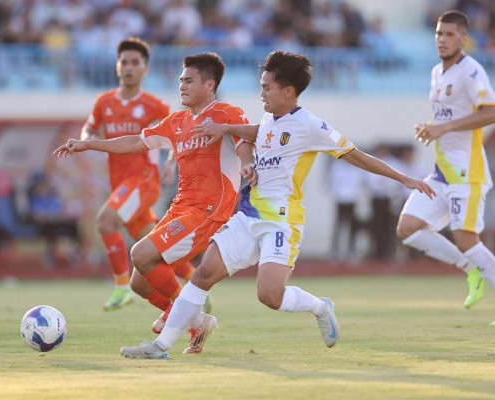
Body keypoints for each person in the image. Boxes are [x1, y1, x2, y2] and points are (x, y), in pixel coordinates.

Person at [119, 50, 435, 359]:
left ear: (288, 91)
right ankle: (160, 346)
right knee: (203, 275)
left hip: (281, 220)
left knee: (269, 296)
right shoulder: (269, 117)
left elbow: (355, 155)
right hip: (247, 215)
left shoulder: (311, 125)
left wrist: (402, 178)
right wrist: (226, 129)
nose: (261, 93)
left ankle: (320, 306)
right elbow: (261, 132)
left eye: (267, 87)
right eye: (261, 86)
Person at [55, 51, 257, 350]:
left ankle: (186, 318)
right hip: (180, 209)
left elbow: (244, 145)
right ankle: (197, 321)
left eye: (189, 80)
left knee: (139, 253)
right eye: (181, 80)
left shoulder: (227, 114)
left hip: (208, 211)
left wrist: (248, 164)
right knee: (139, 282)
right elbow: (136, 142)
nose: (182, 85)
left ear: (209, 85)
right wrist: (89, 144)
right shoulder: (176, 122)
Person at [79, 37, 193, 312]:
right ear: (117, 67)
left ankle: (121, 286)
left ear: (145, 69)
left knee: (105, 221)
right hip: (120, 183)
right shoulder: (104, 102)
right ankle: (188, 290)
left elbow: (174, 136)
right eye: (124, 62)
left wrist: (170, 162)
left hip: (143, 181)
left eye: (135, 63)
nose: (129, 67)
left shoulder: (155, 106)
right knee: (155, 247)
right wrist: (85, 139)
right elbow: (89, 128)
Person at [396, 10, 495, 315]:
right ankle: (472, 268)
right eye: (439, 33)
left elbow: (490, 111)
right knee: (408, 228)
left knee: (467, 240)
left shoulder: (471, 70)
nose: (442, 39)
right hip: (442, 173)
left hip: (467, 172)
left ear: (464, 39)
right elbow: (449, 115)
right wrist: (432, 126)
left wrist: (444, 128)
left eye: (450, 34)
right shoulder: (437, 72)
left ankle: (476, 265)